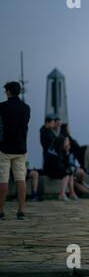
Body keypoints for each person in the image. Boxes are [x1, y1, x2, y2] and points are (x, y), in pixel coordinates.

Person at [0, 82, 31, 220]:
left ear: (8, 92)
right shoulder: (26, 108)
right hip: (21, 148)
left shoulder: (2, 107)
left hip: (5, 148)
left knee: (3, 179)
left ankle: (0, 211)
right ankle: (21, 211)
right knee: (20, 178)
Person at [44, 136, 79, 201]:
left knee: (70, 173)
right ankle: (62, 194)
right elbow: (55, 165)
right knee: (66, 174)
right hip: (50, 170)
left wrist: (67, 153)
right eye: (67, 141)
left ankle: (72, 193)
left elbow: (66, 164)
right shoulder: (53, 150)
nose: (68, 142)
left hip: (58, 169)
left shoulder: (62, 150)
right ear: (62, 142)